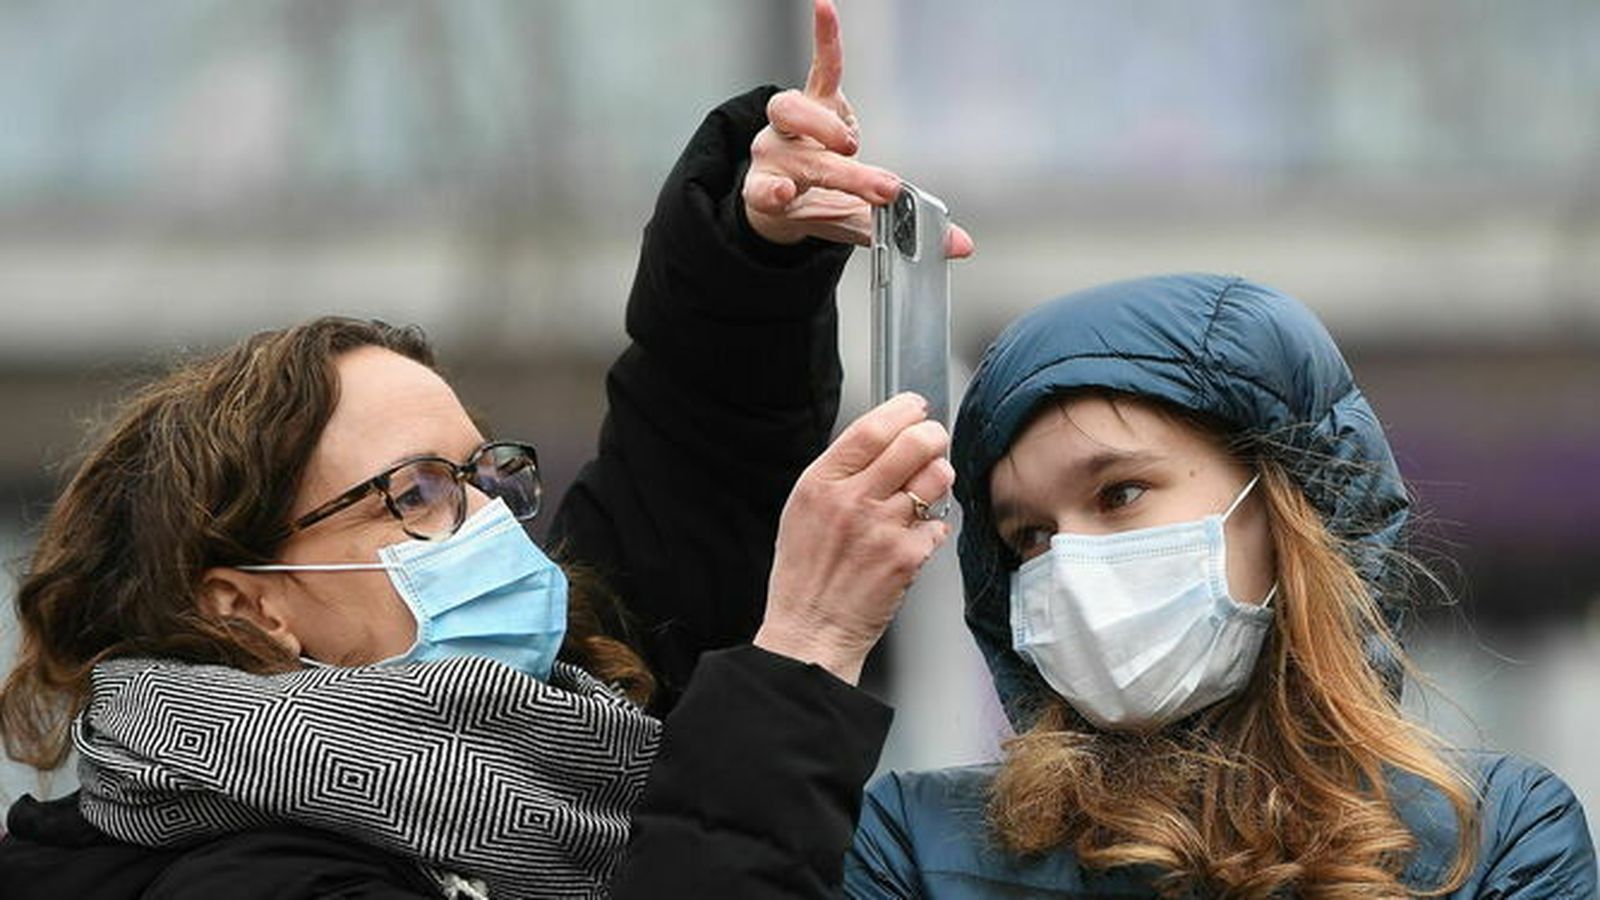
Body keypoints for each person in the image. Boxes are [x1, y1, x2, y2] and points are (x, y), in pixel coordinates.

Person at [0, 3, 971, 897]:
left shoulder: (528, 746)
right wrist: (802, 649)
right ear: (248, 610)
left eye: (483, 475)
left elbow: (688, 490)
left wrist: (753, 252)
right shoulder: (228, 877)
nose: (489, 522)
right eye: (417, 492)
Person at [845, 274, 1596, 897]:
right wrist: (814, 636)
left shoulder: (1492, 837)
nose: (1069, 570)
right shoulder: (915, 840)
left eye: (1120, 493)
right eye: (1030, 537)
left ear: (1282, 508)